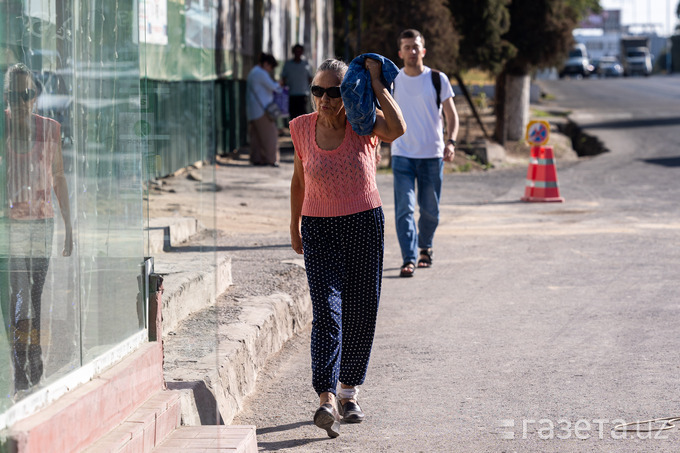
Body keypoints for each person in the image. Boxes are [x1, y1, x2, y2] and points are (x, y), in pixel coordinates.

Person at [289, 58, 405, 438]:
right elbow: (298, 181)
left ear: (348, 92)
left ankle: (349, 392)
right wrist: (294, 226)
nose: (323, 98)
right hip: (319, 228)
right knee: (327, 310)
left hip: (363, 223)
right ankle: (325, 397)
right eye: (317, 90)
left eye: (333, 91)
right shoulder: (301, 128)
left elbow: (399, 128)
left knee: (361, 308)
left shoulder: (364, 124)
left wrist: (376, 85)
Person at [1, 63, 72, 392]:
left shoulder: (50, 129)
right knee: (19, 297)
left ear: (35, 97)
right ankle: (21, 368)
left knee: (35, 297)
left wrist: (69, 227)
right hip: (12, 228)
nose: (20, 101)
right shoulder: (2, 126)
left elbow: (58, 178)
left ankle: (33, 360)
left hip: (42, 227)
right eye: (13, 95)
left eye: (27, 94)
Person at [391, 29, 460, 278]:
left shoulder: (437, 79)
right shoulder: (393, 81)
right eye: (407, 47)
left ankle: (425, 247)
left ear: (423, 50)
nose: (412, 51)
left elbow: (452, 116)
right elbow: (382, 117)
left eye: (415, 46)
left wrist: (450, 142)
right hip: (402, 155)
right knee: (404, 210)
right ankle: (408, 258)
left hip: (432, 155)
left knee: (430, 210)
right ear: (400, 53)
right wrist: (377, 146)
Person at [246, 53, 281, 167]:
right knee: (270, 135)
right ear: (266, 64)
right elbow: (274, 87)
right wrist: (279, 84)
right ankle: (271, 159)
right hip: (263, 110)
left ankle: (256, 158)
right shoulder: (261, 73)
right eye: (271, 67)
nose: (270, 70)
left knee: (256, 136)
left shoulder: (253, 72)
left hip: (253, 110)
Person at [280, 44, 314, 121]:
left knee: (303, 116)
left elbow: (310, 79)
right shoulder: (288, 64)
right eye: (296, 51)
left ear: (302, 52)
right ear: (293, 52)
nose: (298, 53)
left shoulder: (306, 64)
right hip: (291, 95)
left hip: (303, 95)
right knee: (293, 116)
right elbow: (283, 78)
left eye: (299, 51)